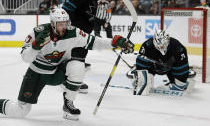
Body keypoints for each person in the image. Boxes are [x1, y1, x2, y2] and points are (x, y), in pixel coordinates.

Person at [0, 8, 134, 120]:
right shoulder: (38, 32)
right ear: (52, 23)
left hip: (57, 72)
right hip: (36, 74)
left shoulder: (73, 32)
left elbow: (94, 41)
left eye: (65, 23)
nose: (64, 26)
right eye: (60, 24)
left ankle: (68, 103)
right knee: (20, 111)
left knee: (78, 66)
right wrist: (35, 47)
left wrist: (113, 42)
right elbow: (25, 58)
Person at [128, 30, 195, 95]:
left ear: (168, 41)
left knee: (179, 86)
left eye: (163, 45)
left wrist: (181, 82)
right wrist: (141, 79)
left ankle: (185, 80)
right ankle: (139, 76)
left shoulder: (178, 48)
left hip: (172, 68)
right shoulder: (147, 46)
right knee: (143, 84)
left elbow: (182, 67)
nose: (161, 48)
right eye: (158, 46)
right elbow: (141, 65)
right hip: (153, 67)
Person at [62, 0, 101, 93]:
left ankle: (70, 78)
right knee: (77, 54)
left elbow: (88, 13)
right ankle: (70, 81)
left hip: (84, 33)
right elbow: (66, 8)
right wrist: (74, 24)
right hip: (78, 32)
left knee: (81, 53)